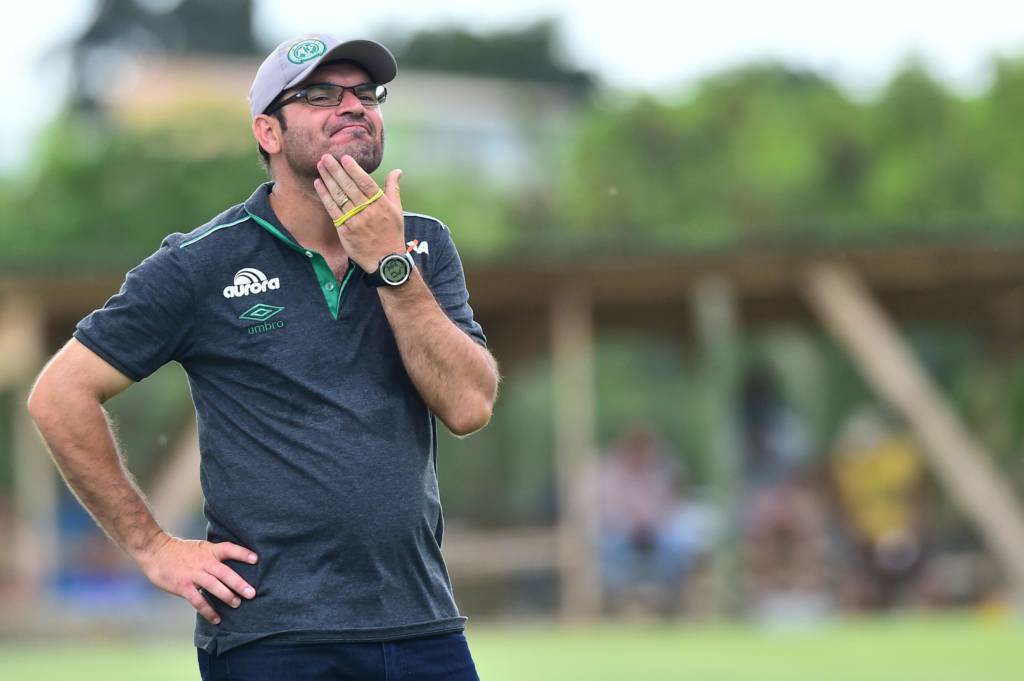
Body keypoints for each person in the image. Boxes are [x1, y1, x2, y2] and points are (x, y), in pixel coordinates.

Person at [27, 34, 499, 681]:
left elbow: (469, 404)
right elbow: (58, 394)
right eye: (321, 95)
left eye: (366, 94)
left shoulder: (421, 245)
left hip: (421, 624)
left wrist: (388, 262)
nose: (353, 106)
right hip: (271, 634)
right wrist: (152, 545)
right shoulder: (201, 262)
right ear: (268, 131)